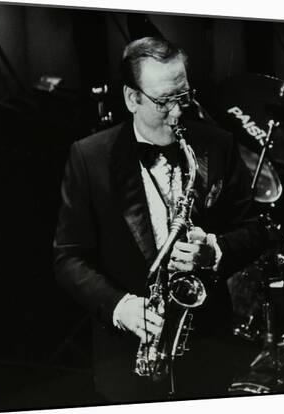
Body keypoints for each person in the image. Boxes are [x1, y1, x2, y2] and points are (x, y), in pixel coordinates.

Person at [54, 37, 270, 403]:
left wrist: (214, 251)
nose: (177, 112)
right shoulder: (89, 158)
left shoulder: (217, 144)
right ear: (132, 98)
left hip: (207, 351)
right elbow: (68, 258)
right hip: (127, 358)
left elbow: (255, 230)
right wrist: (121, 307)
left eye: (183, 96)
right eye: (163, 102)